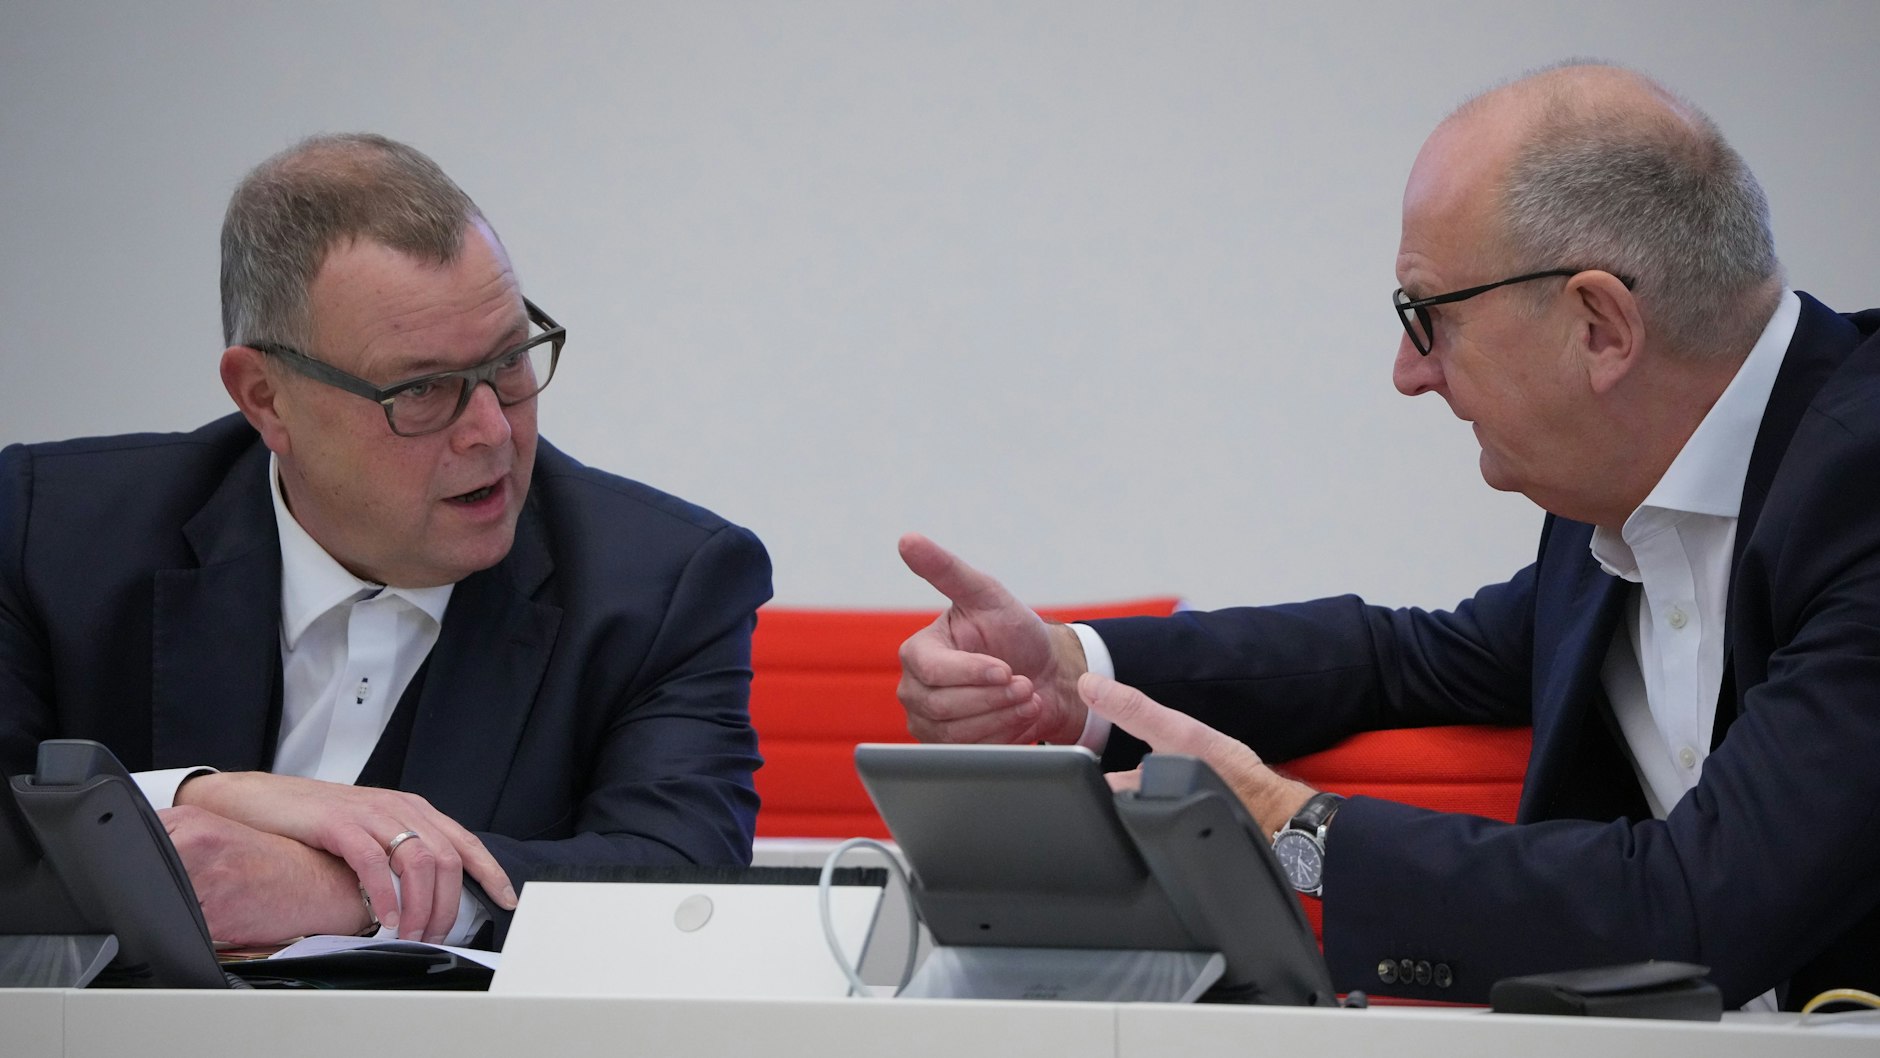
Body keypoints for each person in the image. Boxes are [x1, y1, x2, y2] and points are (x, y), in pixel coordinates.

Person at [895, 62, 1880, 1010]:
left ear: (1598, 327)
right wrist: (1067, 670)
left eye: (1428, 317)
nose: (1409, 374)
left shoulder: (1861, 485)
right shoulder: (1613, 510)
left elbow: (1701, 900)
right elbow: (1398, 657)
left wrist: (1290, 823)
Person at [0, 134, 772, 948]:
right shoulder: (45, 532)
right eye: (424, 388)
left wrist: (348, 892)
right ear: (266, 398)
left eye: (511, 361)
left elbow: (682, 884)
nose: (491, 431)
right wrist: (192, 796)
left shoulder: (663, 585)